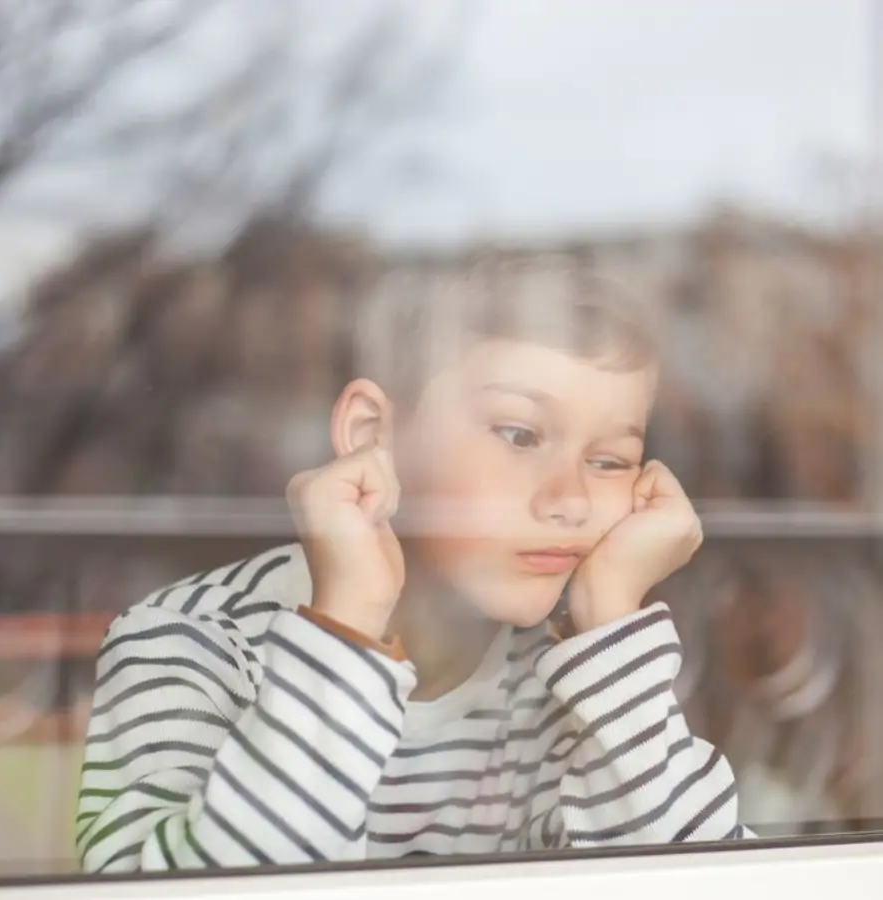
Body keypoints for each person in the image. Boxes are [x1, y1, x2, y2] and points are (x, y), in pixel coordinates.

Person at [76, 256, 750, 872]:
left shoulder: (584, 677)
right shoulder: (186, 640)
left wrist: (609, 623)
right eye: (518, 435)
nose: (570, 500)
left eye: (607, 462)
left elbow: (727, 884)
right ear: (374, 434)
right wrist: (346, 623)